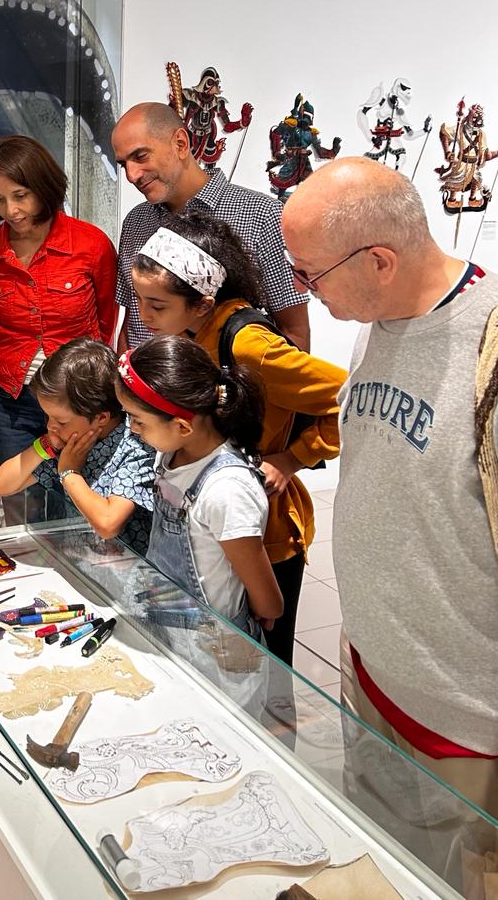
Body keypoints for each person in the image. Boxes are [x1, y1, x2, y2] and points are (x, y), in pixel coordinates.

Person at [281, 156, 498, 820]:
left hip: (461, 721)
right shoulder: (376, 324)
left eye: (308, 273)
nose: (300, 288)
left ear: (378, 261)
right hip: (372, 668)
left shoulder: (486, 347)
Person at [128, 212, 345, 666]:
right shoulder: (189, 332)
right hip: (208, 525)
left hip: (263, 527)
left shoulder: (249, 346)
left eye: (157, 305)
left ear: (203, 303)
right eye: (138, 300)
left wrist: (292, 458)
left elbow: (354, 397)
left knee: (266, 665)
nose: (144, 317)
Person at [115, 335, 283, 640]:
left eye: (138, 421)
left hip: (214, 644)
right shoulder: (171, 452)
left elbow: (270, 604)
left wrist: (261, 613)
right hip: (165, 624)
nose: (132, 430)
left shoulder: (227, 491)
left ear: (182, 426)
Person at [111, 102, 310, 354]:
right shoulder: (136, 222)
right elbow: (131, 327)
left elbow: (294, 332)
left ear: (180, 144)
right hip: (143, 389)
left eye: (140, 156)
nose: (131, 175)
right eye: (123, 163)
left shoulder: (262, 215)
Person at [0, 135, 118, 467]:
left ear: (44, 186)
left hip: (79, 400)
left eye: (21, 196)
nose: (11, 210)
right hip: (13, 400)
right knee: (20, 500)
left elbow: (106, 319)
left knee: (81, 492)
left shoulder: (91, 245)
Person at [0, 337, 154, 557]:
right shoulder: (66, 443)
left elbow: (107, 523)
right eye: (47, 417)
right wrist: (43, 447)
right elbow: (1, 485)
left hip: (128, 579)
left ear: (101, 417)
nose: (50, 426)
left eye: (61, 421)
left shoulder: (136, 447)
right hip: (78, 565)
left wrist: (68, 473)